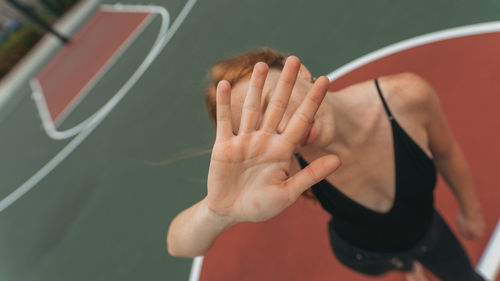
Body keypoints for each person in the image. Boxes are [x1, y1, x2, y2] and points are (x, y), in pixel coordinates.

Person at [166, 49, 486, 281]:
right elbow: (178, 244)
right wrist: (218, 211)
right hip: (363, 254)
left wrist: (470, 209)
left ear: (302, 72)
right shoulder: (285, 166)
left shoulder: (406, 97)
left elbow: (446, 152)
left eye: (271, 103)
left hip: (429, 234)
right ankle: (407, 268)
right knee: (395, 266)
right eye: (258, 125)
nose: (279, 127)